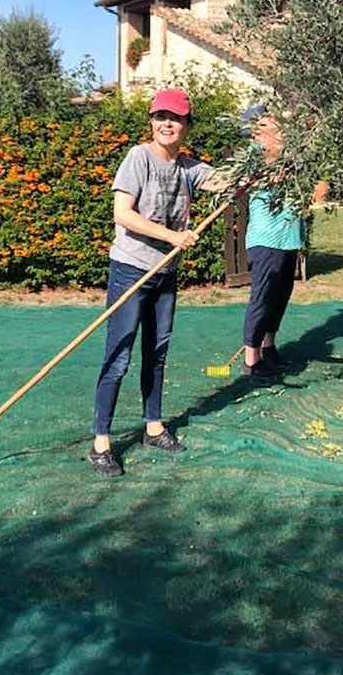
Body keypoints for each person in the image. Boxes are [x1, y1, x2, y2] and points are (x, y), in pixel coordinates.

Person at [89, 87, 217, 477]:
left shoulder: (189, 168)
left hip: (165, 273)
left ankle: (154, 427)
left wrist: (269, 157)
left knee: (157, 352)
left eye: (175, 118)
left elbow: (229, 181)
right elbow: (123, 214)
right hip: (131, 269)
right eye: (161, 116)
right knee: (119, 355)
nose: (167, 124)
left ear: (187, 125)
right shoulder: (138, 158)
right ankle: (101, 443)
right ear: (152, 121)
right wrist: (172, 236)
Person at [241, 107, 304, 379]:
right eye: (270, 126)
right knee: (263, 298)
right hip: (266, 238)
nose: (279, 130)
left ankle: (268, 348)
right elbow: (246, 179)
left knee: (280, 297)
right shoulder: (255, 155)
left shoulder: (291, 155)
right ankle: (251, 359)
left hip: (289, 237)